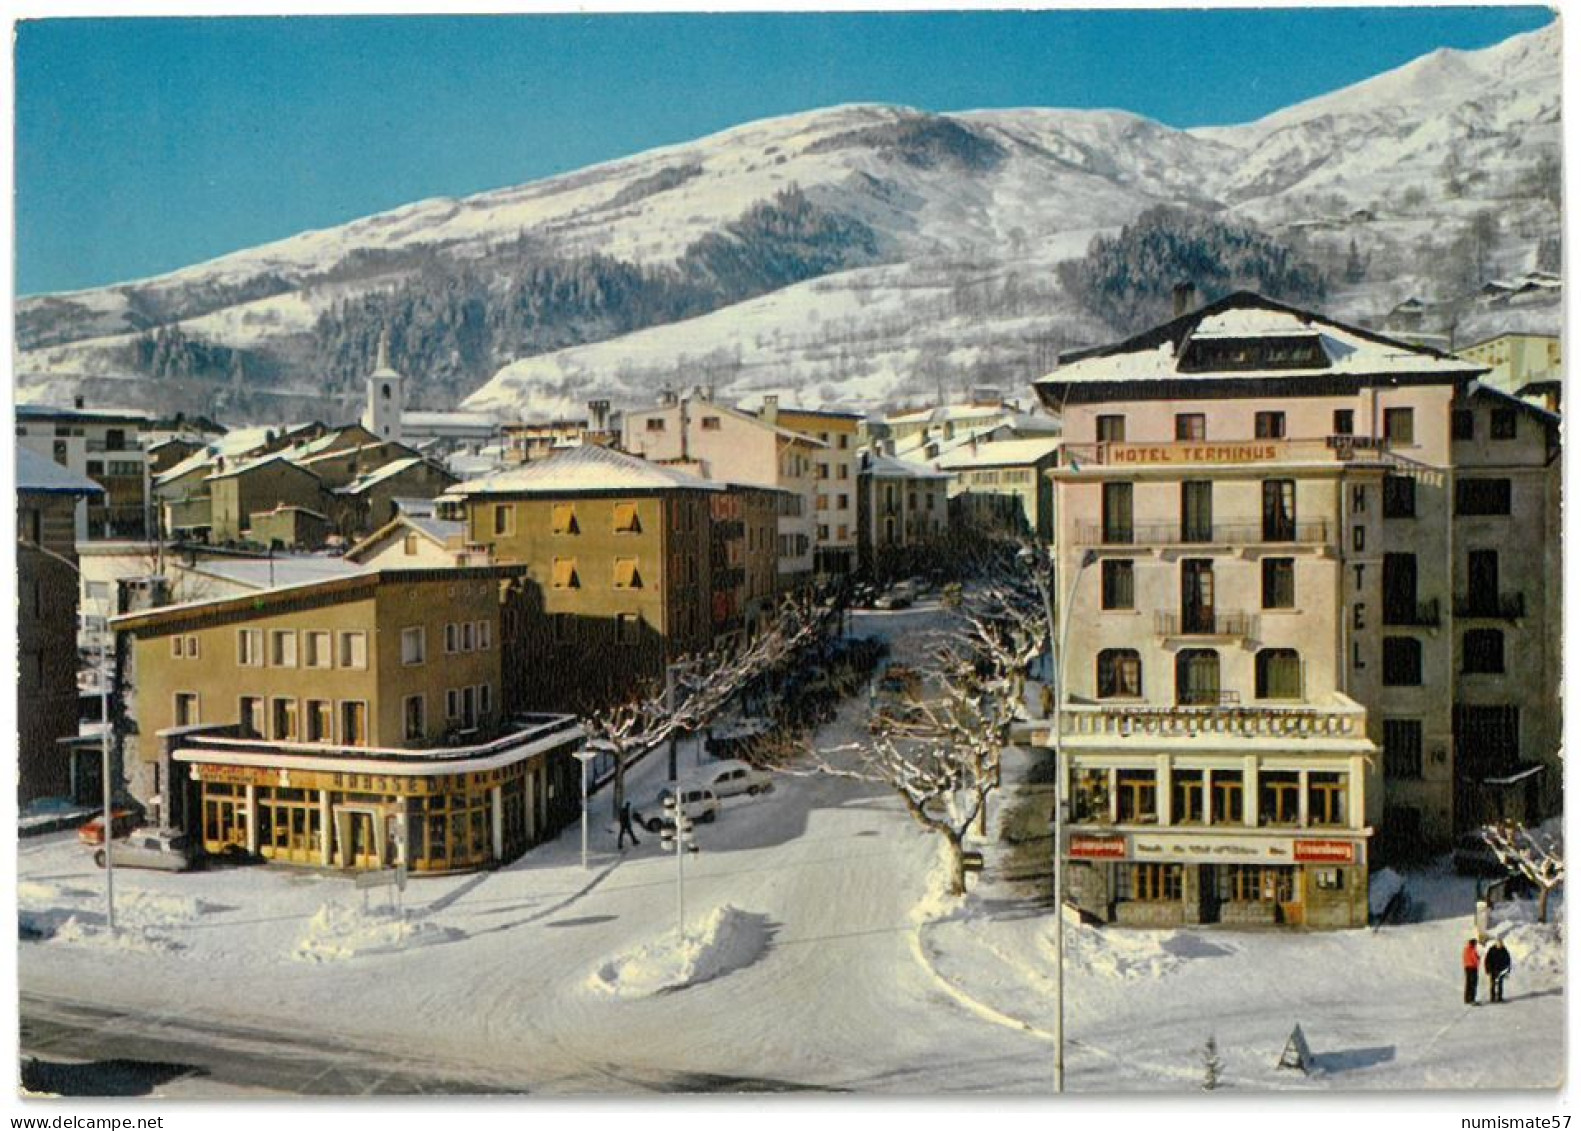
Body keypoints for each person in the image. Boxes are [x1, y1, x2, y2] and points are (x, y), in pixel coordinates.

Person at [1484, 938, 1513, 1004]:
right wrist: (1487, 969)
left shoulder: (1504, 950)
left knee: (1500, 984)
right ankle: (1493, 997)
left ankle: (1500, 997)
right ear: (1496, 944)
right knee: (1493, 984)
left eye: (1501, 945)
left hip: (1501, 970)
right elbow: (1487, 960)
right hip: (1493, 970)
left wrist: (1507, 971)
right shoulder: (1492, 950)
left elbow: (1508, 961)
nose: (1500, 946)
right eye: (1499, 945)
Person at [1462, 937, 1482, 1005]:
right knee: (1473, 984)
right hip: (1473, 968)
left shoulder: (1466, 949)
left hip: (1467, 967)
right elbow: (1475, 958)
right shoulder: (1472, 949)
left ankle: (1467, 998)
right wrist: (1478, 958)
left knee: (1468, 983)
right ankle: (1472, 999)